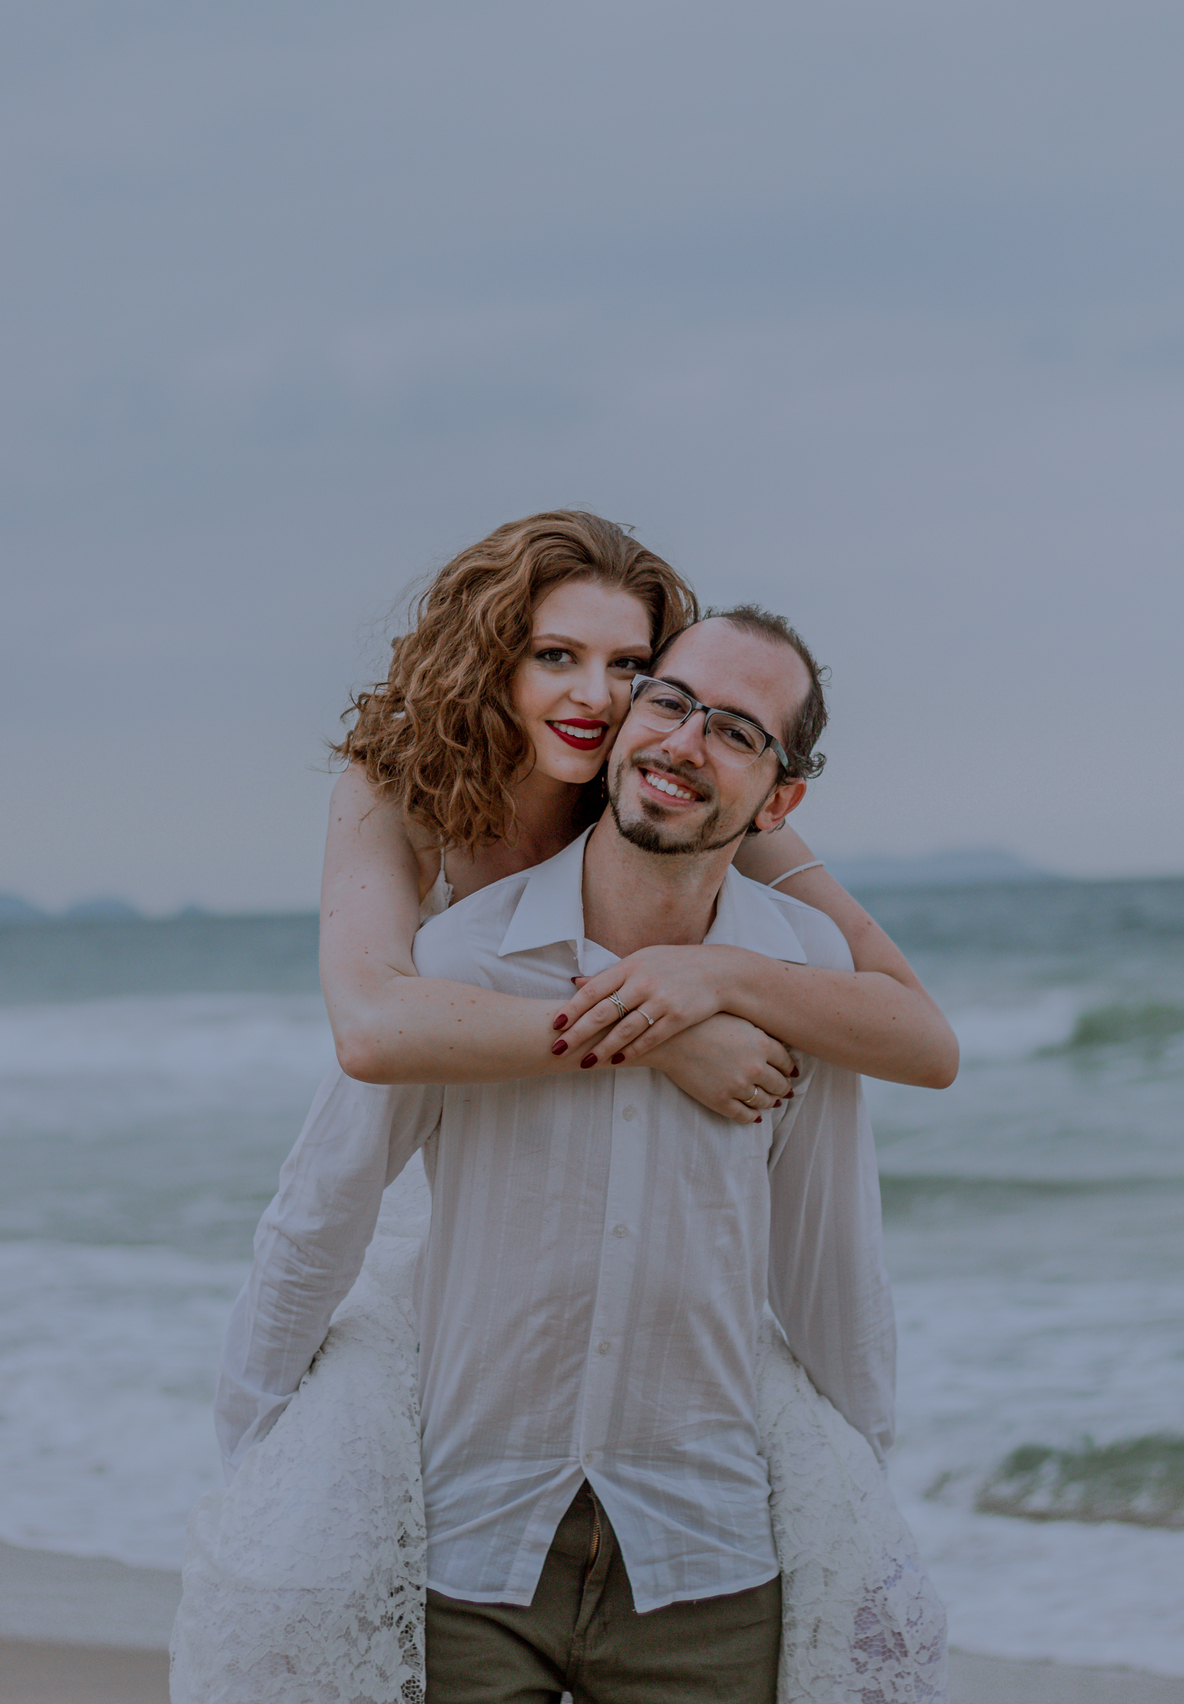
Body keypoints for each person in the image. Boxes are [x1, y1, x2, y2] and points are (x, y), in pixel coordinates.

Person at [170, 515, 952, 1703]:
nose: (605, 700)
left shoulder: (710, 817)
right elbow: (367, 1055)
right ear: (493, 662)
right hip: (470, 1382)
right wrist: (658, 1035)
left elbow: (891, 1100)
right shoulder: (413, 821)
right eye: (556, 657)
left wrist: (715, 978)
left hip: (694, 1505)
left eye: (630, 667)